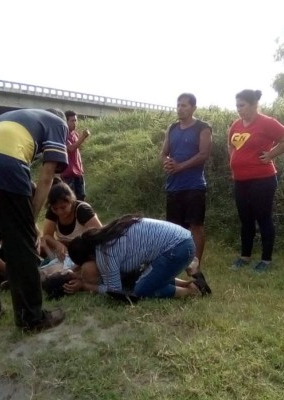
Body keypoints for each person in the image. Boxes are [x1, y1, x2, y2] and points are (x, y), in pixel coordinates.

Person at [0, 108, 69, 331]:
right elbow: (47, 176)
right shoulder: (58, 124)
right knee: (22, 242)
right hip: (4, 160)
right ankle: (32, 318)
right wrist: (30, 222)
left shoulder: (18, 117)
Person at [64, 215, 211, 300]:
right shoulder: (107, 233)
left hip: (176, 249)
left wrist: (85, 286)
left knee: (139, 291)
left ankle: (191, 292)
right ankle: (188, 280)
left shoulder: (104, 254)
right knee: (145, 276)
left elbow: (116, 291)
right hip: (183, 239)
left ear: (90, 257)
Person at [228, 89, 284, 273]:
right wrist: (234, 161)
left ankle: (266, 260)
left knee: (263, 218)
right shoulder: (236, 124)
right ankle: (245, 256)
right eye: (237, 105)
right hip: (240, 180)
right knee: (245, 219)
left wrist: (271, 154)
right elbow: (231, 144)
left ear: (253, 104)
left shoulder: (267, 123)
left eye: (242, 105)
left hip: (262, 179)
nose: (238, 109)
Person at [160, 93, 212, 273]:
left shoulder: (203, 128)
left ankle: (196, 265)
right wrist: (166, 162)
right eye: (178, 105)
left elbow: (203, 154)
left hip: (194, 186)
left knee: (195, 225)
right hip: (173, 186)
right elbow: (163, 153)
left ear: (193, 108)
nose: (180, 109)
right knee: (174, 228)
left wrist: (180, 166)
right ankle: (176, 263)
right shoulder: (172, 127)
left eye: (184, 105)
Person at [40, 181, 103, 267]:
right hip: (65, 254)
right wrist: (57, 244)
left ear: (71, 201)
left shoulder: (82, 210)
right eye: (55, 208)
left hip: (85, 252)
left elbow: (100, 234)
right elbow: (47, 236)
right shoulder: (52, 212)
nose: (59, 212)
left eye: (63, 207)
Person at [60, 110, 90, 201]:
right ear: (66, 121)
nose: (75, 123)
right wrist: (83, 137)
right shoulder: (63, 134)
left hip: (78, 172)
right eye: (72, 121)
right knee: (70, 200)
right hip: (68, 173)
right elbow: (71, 148)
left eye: (75, 120)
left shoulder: (75, 134)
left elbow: (77, 148)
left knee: (81, 197)